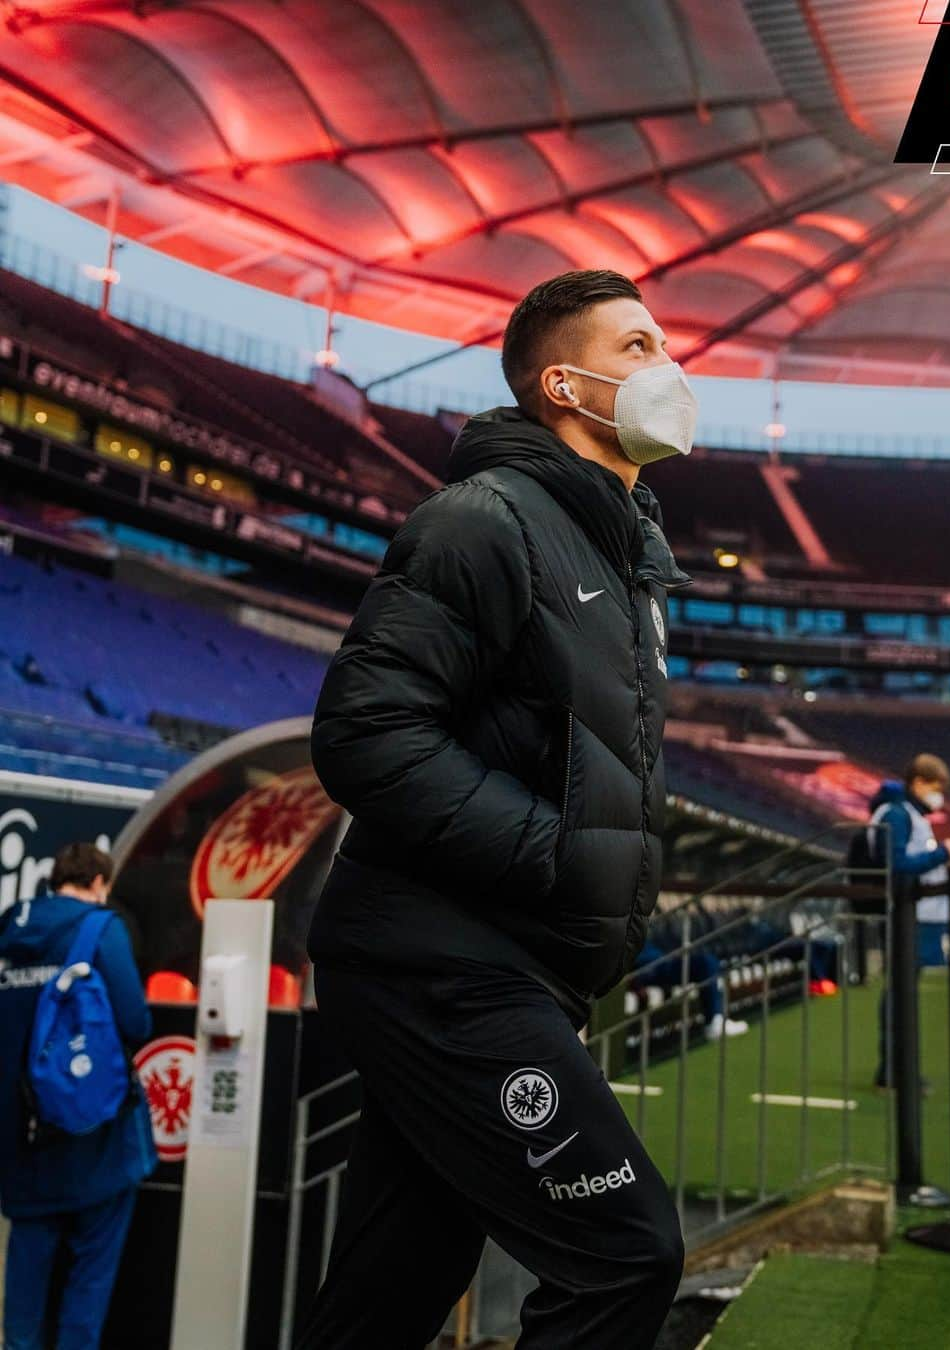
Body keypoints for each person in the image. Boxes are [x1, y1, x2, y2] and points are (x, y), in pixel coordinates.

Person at [303, 270, 697, 1349]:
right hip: (443, 964)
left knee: (398, 1272)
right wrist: (553, 858)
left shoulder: (623, 557)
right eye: (640, 346)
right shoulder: (485, 521)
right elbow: (366, 734)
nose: (669, 368)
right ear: (564, 385)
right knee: (627, 1254)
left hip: (501, 964)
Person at [0, 842, 155, 1350]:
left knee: (26, 1271)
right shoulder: (100, 929)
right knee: (89, 1275)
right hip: (95, 1136)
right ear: (98, 883)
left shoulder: (9, 928)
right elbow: (136, 1021)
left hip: (20, 1135)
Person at [867, 754, 950, 1089]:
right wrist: (942, 854)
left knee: (903, 994)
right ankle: (893, 1070)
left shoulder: (909, 815)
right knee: (899, 994)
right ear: (919, 781)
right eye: (936, 788)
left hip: (917, 917)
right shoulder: (897, 814)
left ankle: (897, 1068)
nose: (939, 797)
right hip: (906, 915)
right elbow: (897, 864)